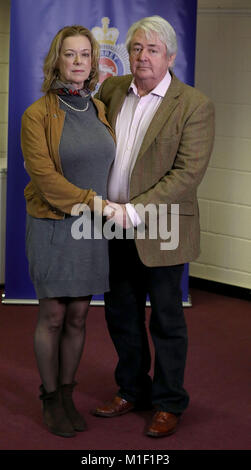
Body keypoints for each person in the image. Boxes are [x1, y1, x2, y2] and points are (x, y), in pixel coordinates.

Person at [93, 16, 215, 437]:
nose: (142, 57)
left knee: (166, 320)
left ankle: (167, 402)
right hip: (112, 225)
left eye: (153, 50)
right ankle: (131, 389)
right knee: (120, 314)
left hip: (162, 227)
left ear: (171, 56)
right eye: (136, 48)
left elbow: (187, 174)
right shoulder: (111, 89)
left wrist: (135, 209)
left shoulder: (194, 104)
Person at [21, 25, 115, 437]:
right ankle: (50, 396)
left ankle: (67, 394)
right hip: (53, 223)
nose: (78, 63)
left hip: (91, 229)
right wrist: (93, 201)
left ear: (94, 62)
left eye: (85, 55)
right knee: (54, 314)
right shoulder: (37, 113)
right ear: (56, 60)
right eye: (70, 55)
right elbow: (44, 178)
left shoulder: (98, 110)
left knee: (79, 315)